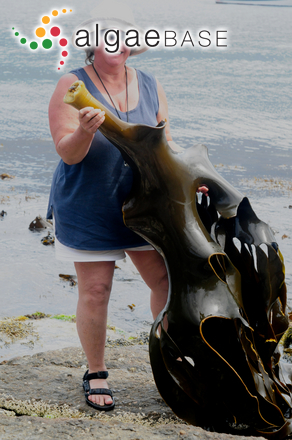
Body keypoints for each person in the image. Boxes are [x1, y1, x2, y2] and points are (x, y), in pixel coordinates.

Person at [47, 0, 207, 412]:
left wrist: (193, 183)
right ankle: (95, 372)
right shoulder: (71, 83)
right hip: (88, 203)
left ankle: (170, 362)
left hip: (145, 205)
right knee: (96, 290)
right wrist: (83, 132)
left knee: (166, 285)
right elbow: (68, 154)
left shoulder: (151, 84)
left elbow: (164, 147)